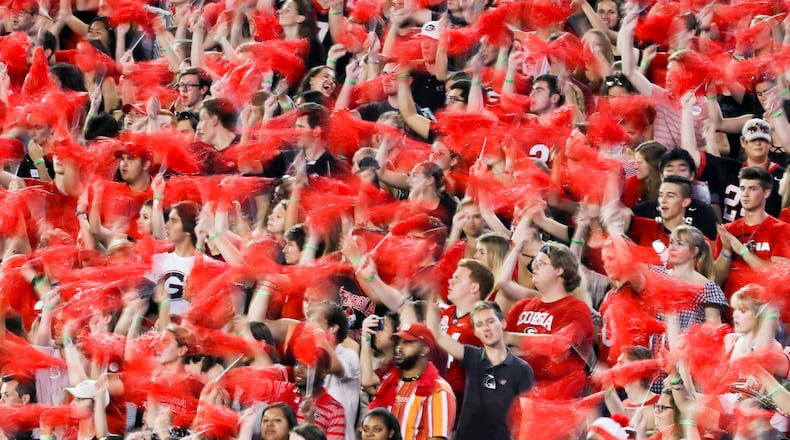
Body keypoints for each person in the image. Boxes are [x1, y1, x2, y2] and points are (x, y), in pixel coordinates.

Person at [429, 301, 534, 440]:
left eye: (490, 321)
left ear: (503, 323)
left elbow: (527, 419)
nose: (486, 328)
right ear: (476, 333)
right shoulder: (472, 356)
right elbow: (436, 335)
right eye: (479, 325)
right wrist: (430, 293)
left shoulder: (522, 369)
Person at [505, 242, 594, 398]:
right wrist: (540, 347)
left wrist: (512, 338)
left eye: (542, 263)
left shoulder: (577, 309)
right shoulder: (522, 306)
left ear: (559, 270)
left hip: (559, 401)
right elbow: (502, 347)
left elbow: (559, 346)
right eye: (535, 262)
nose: (534, 266)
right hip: (519, 395)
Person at [369, 323, 456, 440]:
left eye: (407, 342)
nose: (399, 347)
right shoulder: (388, 382)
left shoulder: (439, 390)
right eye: (398, 342)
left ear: (424, 350)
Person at [714, 166, 790, 297]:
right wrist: (726, 251)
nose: (745, 194)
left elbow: (778, 276)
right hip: (733, 311)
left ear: (766, 193)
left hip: (767, 310)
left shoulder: (781, 229)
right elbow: (716, 280)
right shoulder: (728, 230)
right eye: (742, 188)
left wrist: (741, 250)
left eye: (752, 189)